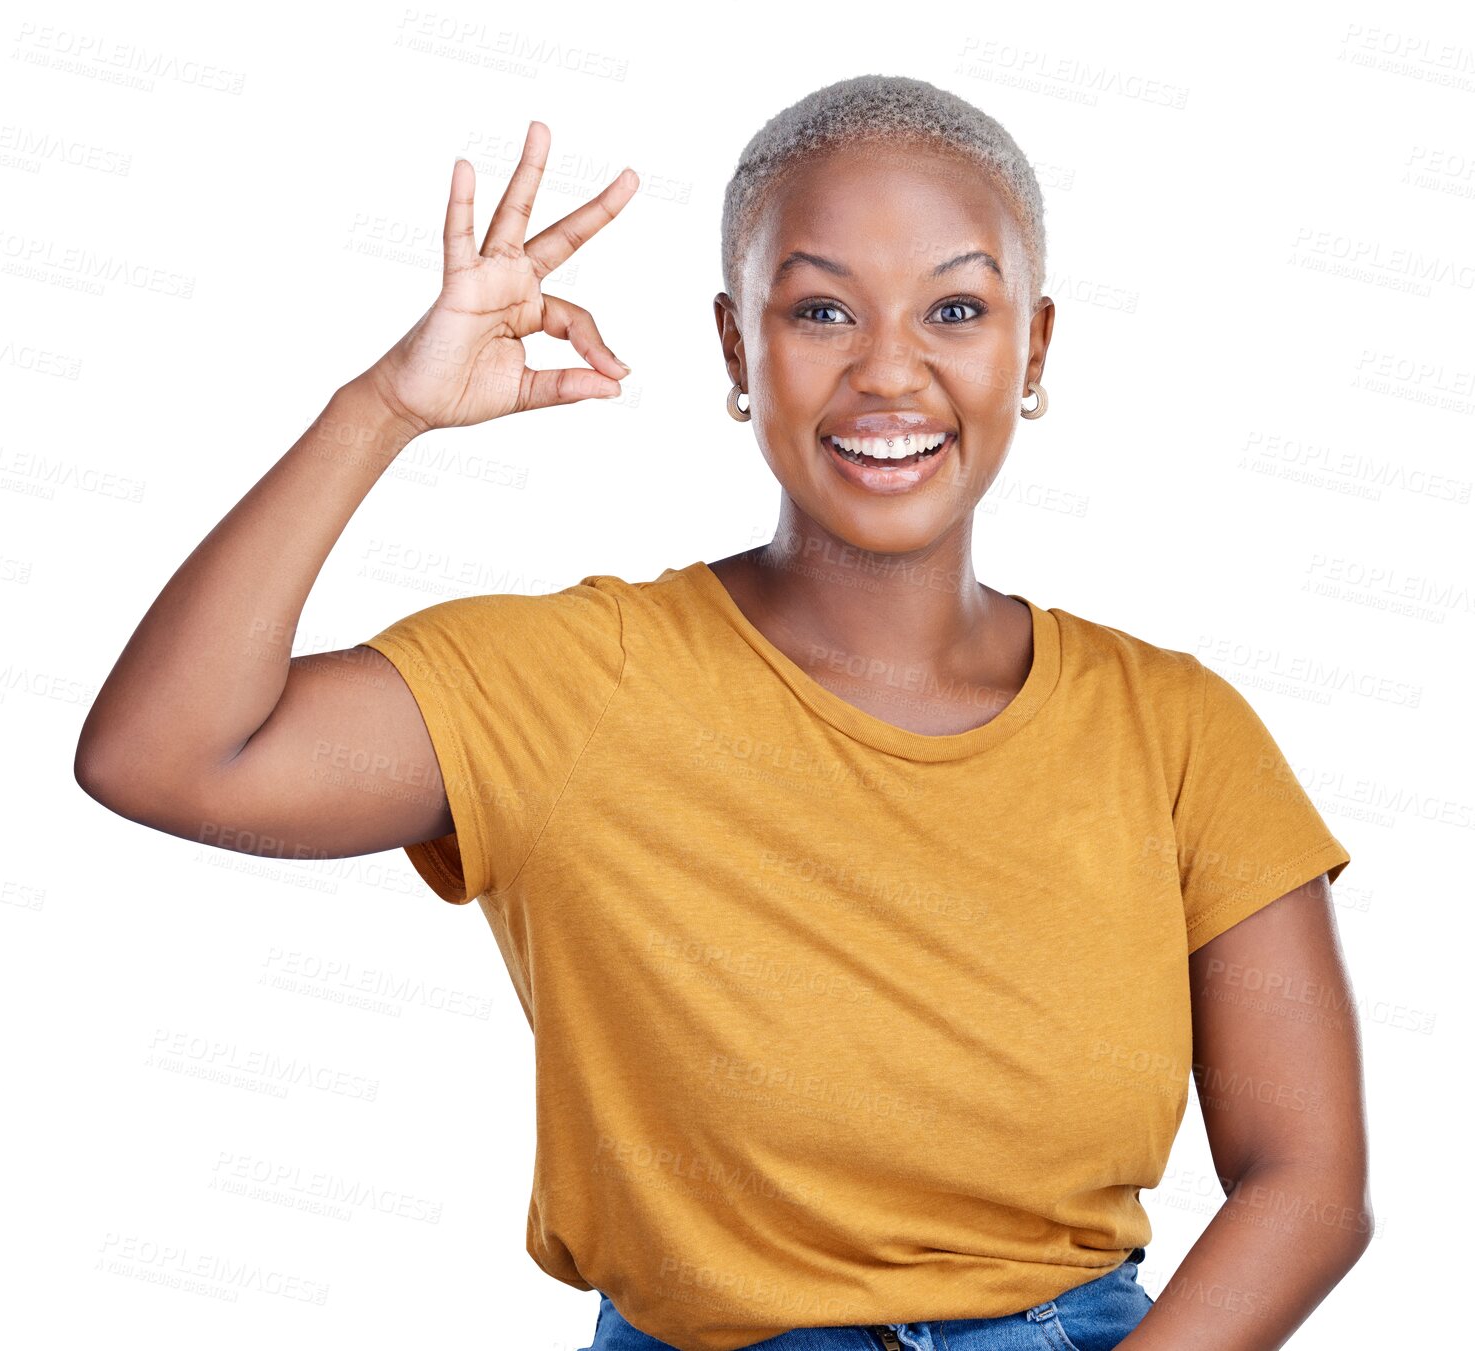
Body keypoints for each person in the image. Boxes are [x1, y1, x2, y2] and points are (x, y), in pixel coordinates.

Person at [75, 75, 1373, 1351]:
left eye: (957, 309)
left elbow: (1309, 1185)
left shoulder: (1177, 729)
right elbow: (167, 755)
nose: (889, 374)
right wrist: (387, 408)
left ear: (1032, 348)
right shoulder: (579, 684)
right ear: (737, 347)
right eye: (820, 311)